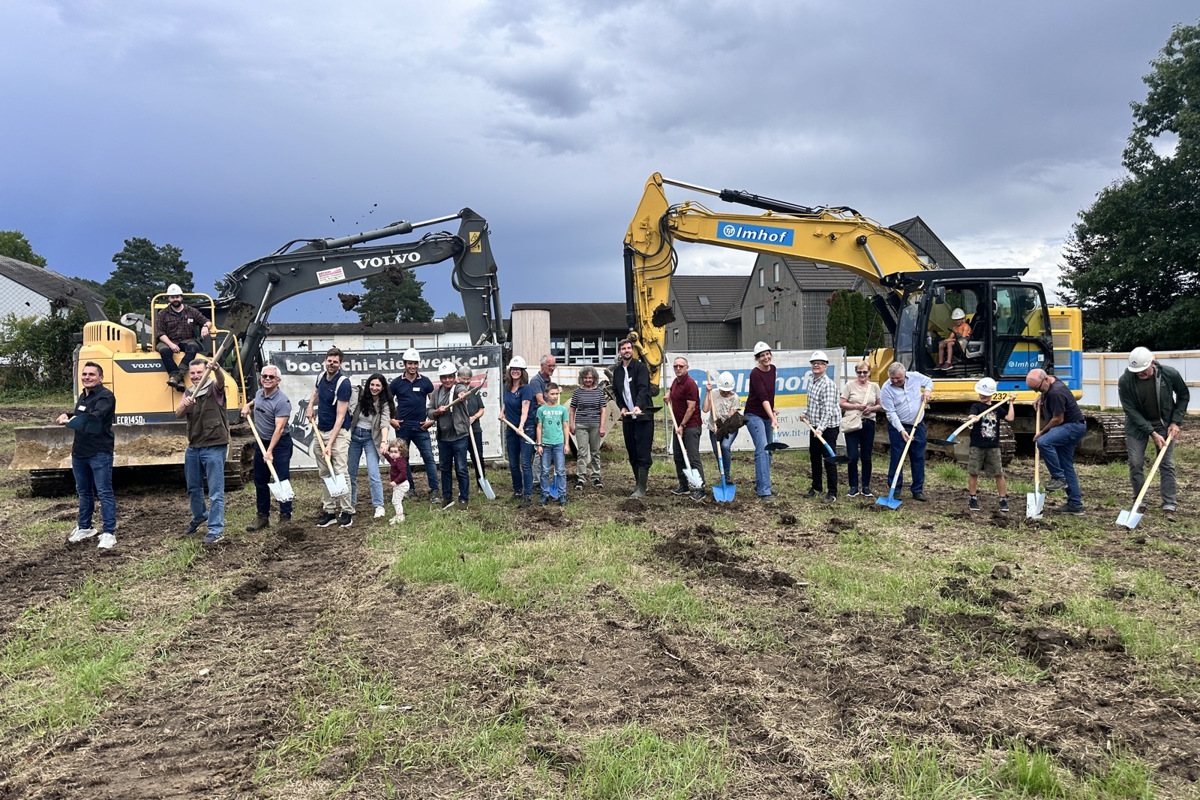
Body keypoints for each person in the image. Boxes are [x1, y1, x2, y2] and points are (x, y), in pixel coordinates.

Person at [1118, 347, 1188, 517]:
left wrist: (1175, 422)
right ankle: (1140, 501)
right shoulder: (1125, 381)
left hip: (1163, 424)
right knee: (1135, 463)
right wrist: (1151, 432)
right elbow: (1130, 410)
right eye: (1137, 372)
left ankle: (1169, 505)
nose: (1140, 374)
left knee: (1166, 464)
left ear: (1152, 363)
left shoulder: (1169, 374)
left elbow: (1183, 395)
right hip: (1136, 426)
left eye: (1143, 370)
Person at [60, 361, 118, 549]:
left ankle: (109, 532)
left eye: (92, 375)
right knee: (84, 492)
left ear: (100, 377)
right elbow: (80, 413)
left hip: (99, 452)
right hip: (80, 452)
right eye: (84, 374)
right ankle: (85, 527)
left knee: (104, 492)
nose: (87, 377)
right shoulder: (83, 396)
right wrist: (68, 415)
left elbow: (94, 417)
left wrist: (69, 421)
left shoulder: (105, 396)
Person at [176, 358, 229, 544]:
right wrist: (185, 405)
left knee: (215, 491)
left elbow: (221, 381)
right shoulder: (189, 392)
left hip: (214, 445)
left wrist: (217, 369)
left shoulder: (214, 388)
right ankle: (199, 516)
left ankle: (216, 529)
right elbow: (178, 414)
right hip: (194, 446)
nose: (196, 376)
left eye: (199, 372)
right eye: (193, 373)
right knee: (193, 487)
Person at [1025, 367, 1087, 516]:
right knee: (1067, 465)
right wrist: (1040, 397)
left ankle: (1058, 477)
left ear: (1045, 380)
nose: (1036, 392)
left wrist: (1042, 432)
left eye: (1037, 389)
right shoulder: (1051, 381)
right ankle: (1075, 504)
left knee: (1044, 442)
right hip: (1070, 426)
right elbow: (1047, 385)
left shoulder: (1056, 392)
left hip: (1072, 427)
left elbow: (1058, 419)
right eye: (1033, 390)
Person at [240, 363, 293, 531]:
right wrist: (248, 405)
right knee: (260, 480)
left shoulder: (282, 401)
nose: (267, 379)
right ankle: (262, 517)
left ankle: (285, 516)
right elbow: (257, 400)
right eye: (265, 376)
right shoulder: (259, 393)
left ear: (278, 380)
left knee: (281, 480)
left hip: (279, 445)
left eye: (271, 377)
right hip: (261, 442)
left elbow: (279, 429)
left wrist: (270, 451)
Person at [307, 347, 354, 528]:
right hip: (321, 430)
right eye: (329, 360)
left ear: (340, 363)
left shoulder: (343, 383)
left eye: (335, 361)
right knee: (325, 472)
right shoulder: (321, 377)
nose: (332, 364)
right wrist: (311, 405)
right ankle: (329, 510)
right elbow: (316, 392)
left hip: (339, 433)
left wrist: (330, 443)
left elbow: (341, 416)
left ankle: (346, 511)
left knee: (340, 471)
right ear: (325, 360)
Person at [389, 348, 440, 504]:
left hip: (421, 428)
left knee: (429, 459)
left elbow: (434, 403)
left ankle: (435, 491)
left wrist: (432, 421)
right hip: (402, 428)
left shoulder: (425, 382)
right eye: (410, 363)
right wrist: (392, 420)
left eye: (415, 363)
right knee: (402, 460)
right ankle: (409, 489)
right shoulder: (396, 383)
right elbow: (388, 403)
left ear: (418, 364)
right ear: (404, 364)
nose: (412, 366)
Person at [879, 362, 934, 501]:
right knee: (897, 458)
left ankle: (917, 490)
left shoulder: (915, 377)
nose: (895, 381)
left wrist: (927, 391)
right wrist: (901, 430)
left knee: (918, 458)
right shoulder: (886, 389)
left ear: (905, 374)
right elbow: (890, 413)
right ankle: (895, 490)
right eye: (892, 379)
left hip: (918, 426)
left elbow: (928, 381)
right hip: (898, 427)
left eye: (898, 378)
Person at [347, 373, 394, 520]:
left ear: (382, 387)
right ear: (368, 385)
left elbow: (385, 423)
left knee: (374, 473)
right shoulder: (360, 397)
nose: (374, 388)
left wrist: (384, 441)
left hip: (371, 439)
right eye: (372, 385)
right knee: (350, 473)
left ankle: (379, 506)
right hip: (354, 437)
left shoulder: (384, 403)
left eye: (378, 385)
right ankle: (350, 504)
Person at [612, 338, 654, 499]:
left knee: (643, 451)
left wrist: (638, 406)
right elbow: (617, 392)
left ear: (633, 350)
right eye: (623, 348)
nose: (627, 350)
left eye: (629, 348)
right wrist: (622, 407)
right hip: (628, 418)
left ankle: (642, 487)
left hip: (643, 417)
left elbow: (644, 388)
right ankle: (638, 483)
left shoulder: (640, 368)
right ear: (619, 352)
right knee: (632, 452)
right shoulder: (617, 371)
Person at [965, 378, 1014, 513]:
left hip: (993, 446)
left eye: (985, 394)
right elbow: (971, 415)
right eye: (980, 393)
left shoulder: (997, 408)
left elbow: (1010, 418)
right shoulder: (977, 406)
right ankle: (973, 497)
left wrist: (1011, 403)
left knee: (998, 473)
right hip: (977, 445)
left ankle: (1003, 498)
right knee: (974, 472)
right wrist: (973, 418)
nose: (982, 396)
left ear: (991, 394)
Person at [155, 283, 212, 391]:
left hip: (187, 339)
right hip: (168, 340)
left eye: (177, 296)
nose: (175, 299)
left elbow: (207, 322)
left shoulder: (191, 311)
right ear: (169, 299)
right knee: (164, 351)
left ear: (181, 297)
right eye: (172, 297)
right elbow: (160, 333)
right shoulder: (163, 313)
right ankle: (179, 379)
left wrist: (205, 327)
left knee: (193, 348)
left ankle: (176, 377)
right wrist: (171, 345)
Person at [802, 350, 840, 503]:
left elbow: (828, 411)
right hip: (815, 426)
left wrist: (821, 429)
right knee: (814, 457)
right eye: (814, 363)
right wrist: (805, 413)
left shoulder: (828, 385)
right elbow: (813, 404)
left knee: (829, 458)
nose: (816, 365)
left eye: (819, 363)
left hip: (828, 428)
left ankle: (832, 492)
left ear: (826, 366)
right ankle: (817, 487)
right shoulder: (813, 382)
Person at [430, 361, 471, 507]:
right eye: (444, 377)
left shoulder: (458, 388)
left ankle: (464, 498)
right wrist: (436, 412)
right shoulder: (436, 393)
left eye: (450, 377)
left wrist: (462, 395)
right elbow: (429, 412)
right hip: (444, 437)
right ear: (440, 378)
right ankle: (447, 497)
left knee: (461, 468)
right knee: (445, 468)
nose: (447, 380)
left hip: (459, 436)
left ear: (454, 377)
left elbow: (462, 392)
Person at [839, 361, 882, 498]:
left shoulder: (874, 387)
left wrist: (872, 408)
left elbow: (880, 405)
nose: (862, 375)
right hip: (852, 423)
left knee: (866, 456)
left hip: (868, 423)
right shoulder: (849, 386)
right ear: (856, 372)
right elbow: (841, 403)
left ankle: (866, 486)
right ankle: (853, 486)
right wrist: (856, 406)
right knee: (852, 456)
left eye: (865, 372)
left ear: (869, 372)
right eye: (859, 372)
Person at [667, 357, 705, 501]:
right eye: (675, 366)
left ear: (686, 368)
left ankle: (700, 488)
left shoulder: (690, 384)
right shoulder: (676, 382)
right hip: (679, 426)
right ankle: (684, 485)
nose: (678, 368)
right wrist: (668, 394)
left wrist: (682, 425)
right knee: (678, 456)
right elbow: (672, 391)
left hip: (690, 426)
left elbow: (691, 408)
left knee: (693, 458)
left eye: (680, 366)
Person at [745, 341, 779, 501]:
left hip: (766, 414)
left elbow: (770, 394)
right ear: (757, 359)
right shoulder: (755, 374)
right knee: (763, 450)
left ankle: (761, 482)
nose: (766, 357)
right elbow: (762, 396)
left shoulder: (773, 369)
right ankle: (764, 490)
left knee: (769, 451)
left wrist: (772, 410)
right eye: (762, 355)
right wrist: (773, 418)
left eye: (767, 354)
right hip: (753, 415)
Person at [501, 356, 536, 507]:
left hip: (525, 429)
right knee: (513, 463)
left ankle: (527, 495)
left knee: (525, 463)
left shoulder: (526, 388)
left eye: (518, 370)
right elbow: (506, 402)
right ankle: (517, 491)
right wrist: (502, 412)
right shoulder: (507, 387)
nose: (515, 372)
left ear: (523, 372)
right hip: (511, 428)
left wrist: (521, 426)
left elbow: (525, 409)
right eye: (513, 369)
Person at [569, 366, 607, 491]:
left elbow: (603, 410)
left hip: (595, 425)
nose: (588, 380)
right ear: (582, 378)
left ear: (594, 378)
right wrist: (571, 424)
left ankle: (596, 477)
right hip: (581, 425)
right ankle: (581, 478)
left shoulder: (599, 392)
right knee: (582, 452)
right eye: (585, 377)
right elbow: (572, 409)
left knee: (595, 452)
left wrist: (602, 426)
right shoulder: (577, 392)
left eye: (590, 378)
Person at [703, 371, 741, 485]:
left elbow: (731, 417)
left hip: (729, 428)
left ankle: (727, 476)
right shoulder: (713, 393)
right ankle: (722, 475)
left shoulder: (735, 397)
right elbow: (705, 409)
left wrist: (721, 428)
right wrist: (707, 393)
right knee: (717, 451)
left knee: (724, 446)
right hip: (713, 428)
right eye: (723, 391)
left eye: (727, 391)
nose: (725, 393)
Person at [536, 382, 569, 506]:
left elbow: (565, 427)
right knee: (544, 470)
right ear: (546, 394)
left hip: (558, 444)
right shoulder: (541, 410)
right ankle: (544, 494)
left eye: (557, 394)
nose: (555, 396)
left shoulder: (562, 410)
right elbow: (539, 427)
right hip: (545, 444)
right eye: (552, 394)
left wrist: (566, 444)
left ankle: (562, 495)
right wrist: (539, 444)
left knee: (560, 470)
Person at [458, 365, 487, 481]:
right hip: (461, 431)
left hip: (475, 429)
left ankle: (482, 482)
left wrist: (474, 417)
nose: (465, 381)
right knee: (461, 459)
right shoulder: (456, 391)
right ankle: (463, 484)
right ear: (458, 378)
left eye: (467, 378)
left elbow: (481, 409)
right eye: (463, 378)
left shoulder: (474, 391)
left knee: (478, 457)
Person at [382, 439, 410, 524]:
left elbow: (403, 474)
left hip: (401, 484)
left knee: (396, 501)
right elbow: (390, 460)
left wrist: (396, 481)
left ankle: (400, 516)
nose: (393, 454)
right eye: (391, 452)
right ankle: (398, 515)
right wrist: (385, 453)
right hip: (398, 484)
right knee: (395, 500)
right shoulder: (395, 460)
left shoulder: (401, 462)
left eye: (395, 452)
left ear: (401, 452)